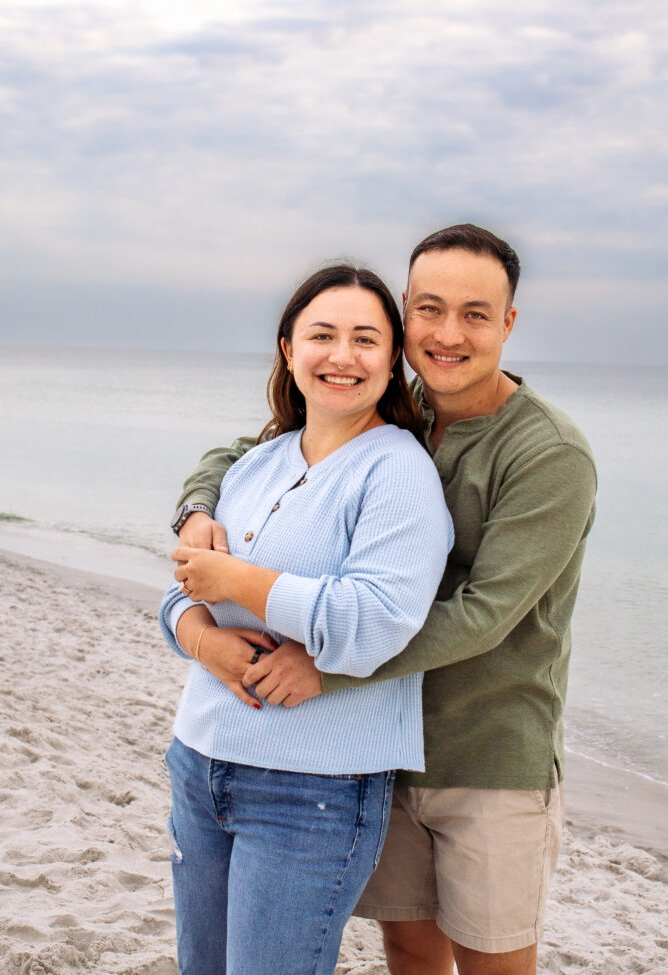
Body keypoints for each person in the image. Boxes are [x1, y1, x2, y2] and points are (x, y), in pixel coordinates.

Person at [173, 224, 597, 975]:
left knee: (492, 959)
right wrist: (197, 509)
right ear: (407, 310)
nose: (447, 333)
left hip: (484, 750)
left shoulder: (545, 454)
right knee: (407, 947)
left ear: (507, 324)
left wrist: (328, 669)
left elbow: (483, 614)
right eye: (430, 309)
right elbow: (250, 452)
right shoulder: (402, 406)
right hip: (385, 747)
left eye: (475, 314)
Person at [159, 263, 453, 975]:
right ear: (289, 349)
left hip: (312, 789)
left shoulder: (397, 472)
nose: (342, 356)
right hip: (199, 761)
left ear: (392, 361)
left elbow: (375, 625)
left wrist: (240, 581)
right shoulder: (255, 464)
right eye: (321, 335)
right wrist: (204, 641)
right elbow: (179, 590)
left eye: (364, 339)